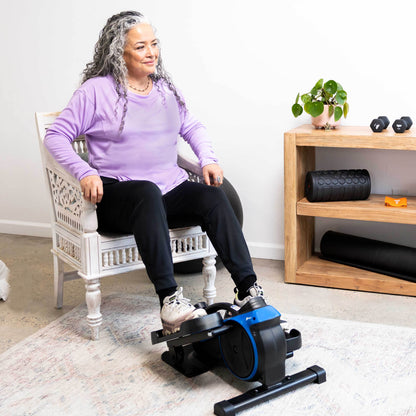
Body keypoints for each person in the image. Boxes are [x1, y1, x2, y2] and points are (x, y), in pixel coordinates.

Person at [44, 11, 264, 335]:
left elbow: (191, 126)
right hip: (119, 197)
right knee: (146, 191)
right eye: (141, 47)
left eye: (154, 44)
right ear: (119, 52)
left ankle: (249, 291)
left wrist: (207, 159)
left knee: (214, 197)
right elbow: (55, 136)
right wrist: (83, 171)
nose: (152, 53)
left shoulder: (163, 89)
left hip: (167, 191)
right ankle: (170, 301)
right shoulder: (95, 91)